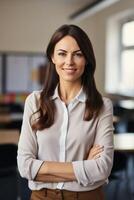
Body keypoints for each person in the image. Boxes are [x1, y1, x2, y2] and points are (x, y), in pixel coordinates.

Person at [17, 24, 114, 200]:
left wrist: (41, 169)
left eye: (77, 54)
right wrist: (83, 166)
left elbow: (102, 168)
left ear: (86, 59)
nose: (69, 62)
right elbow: (24, 166)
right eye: (62, 53)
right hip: (41, 197)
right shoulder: (34, 102)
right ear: (52, 57)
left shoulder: (102, 106)